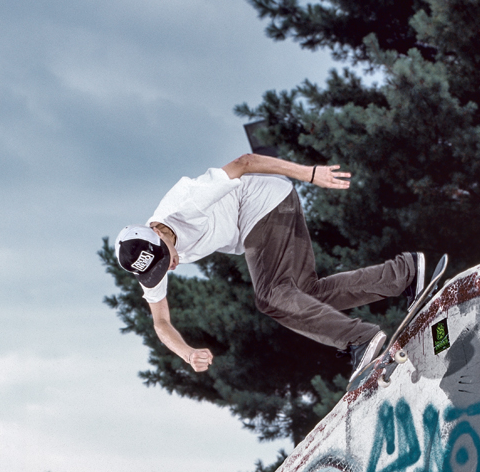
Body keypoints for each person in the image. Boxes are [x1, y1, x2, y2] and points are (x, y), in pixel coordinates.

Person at [116, 153, 425, 374]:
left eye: (168, 259)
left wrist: (310, 173)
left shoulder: (187, 205)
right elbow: (160, 322)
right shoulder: (147, 261)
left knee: (270, 296)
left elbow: (244, 162)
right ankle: (405, 274)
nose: (169, 268)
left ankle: (361, 339)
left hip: (263, 203)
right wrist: (187, 353)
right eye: (160, 270)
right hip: (268, 214)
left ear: (159, 233)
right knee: (305, 294)